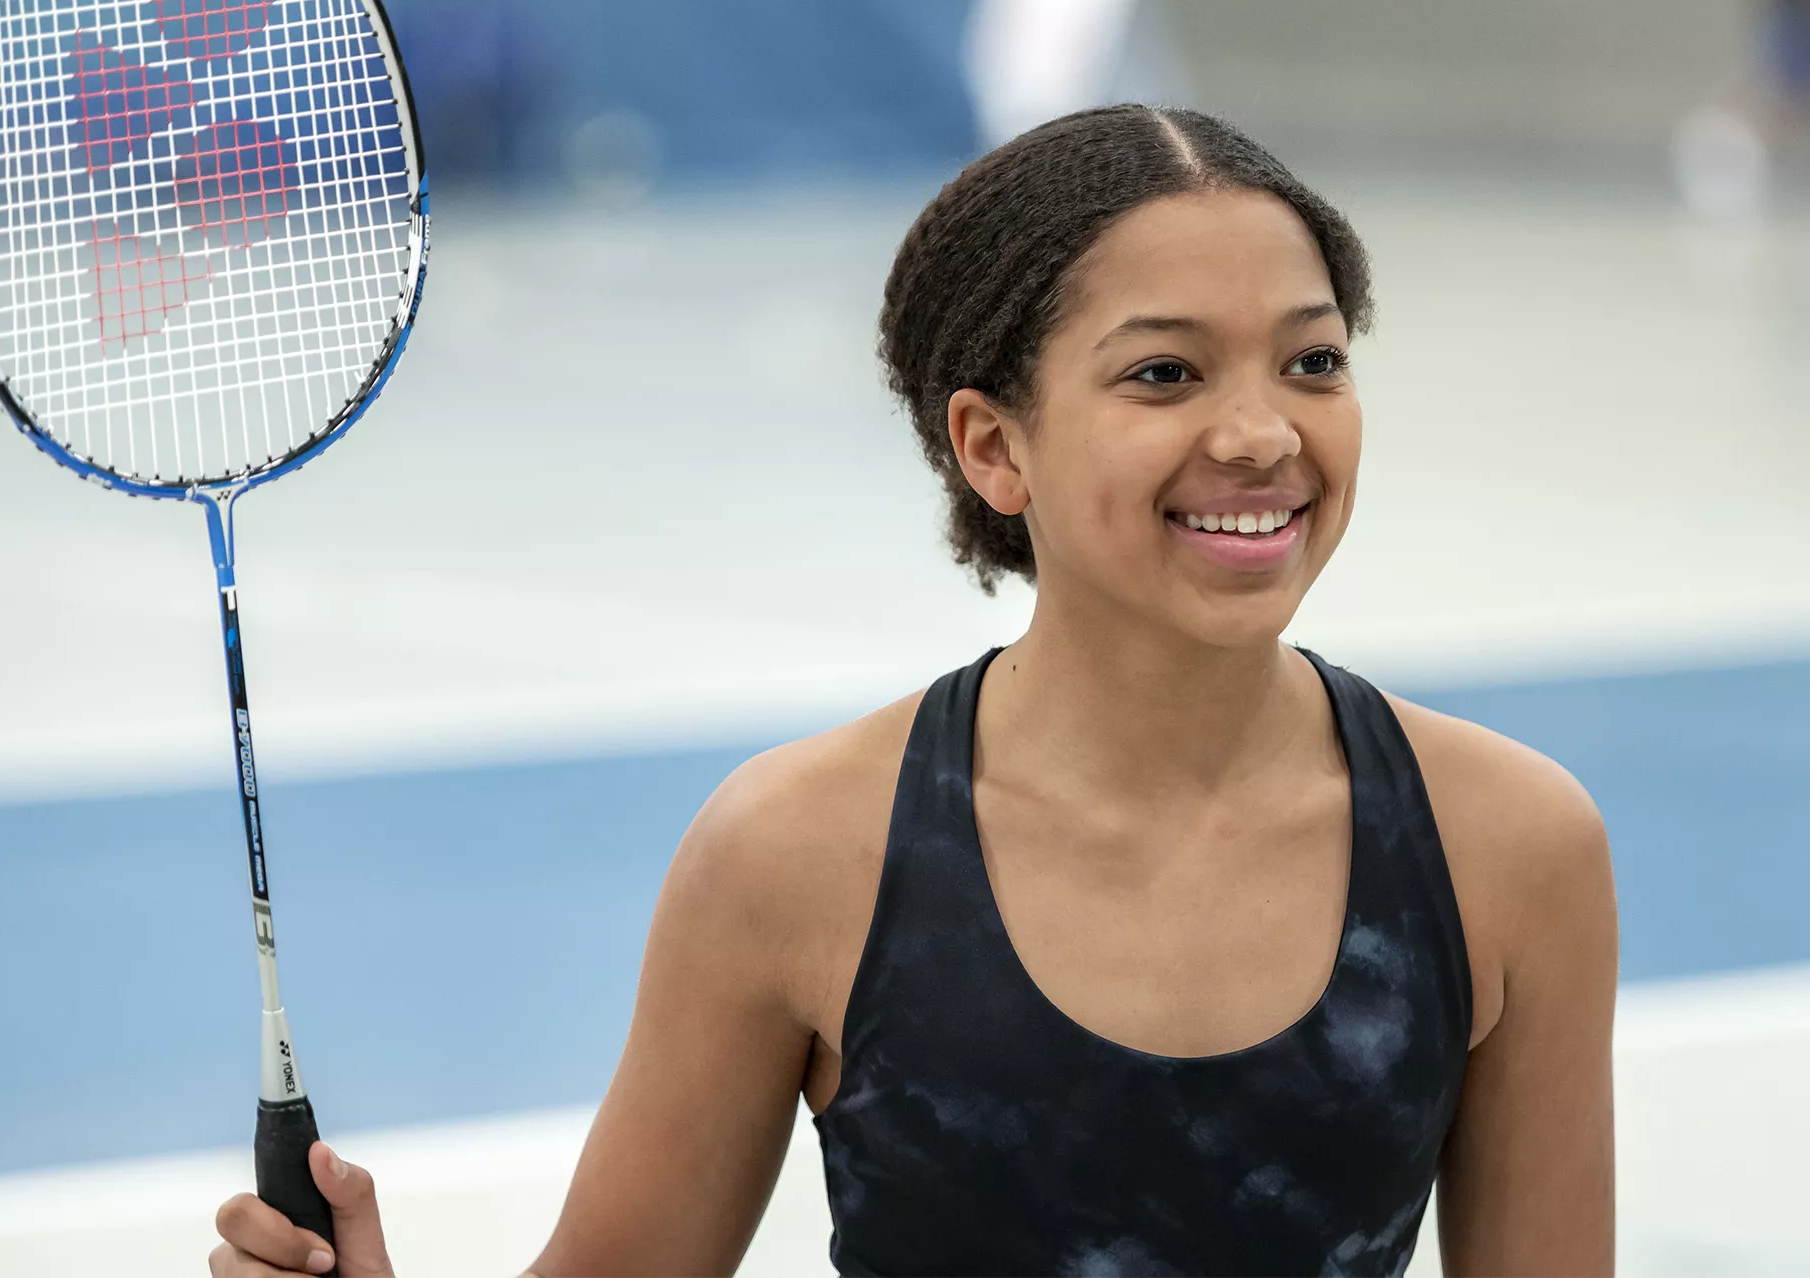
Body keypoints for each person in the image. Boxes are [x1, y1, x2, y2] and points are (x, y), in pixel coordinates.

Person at [210, 105, 1617, 1277]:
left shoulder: (1511, 848)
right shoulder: (796, 854)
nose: (1260, 433)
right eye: (1165, 371)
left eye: (1312, 360)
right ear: (993, 447)